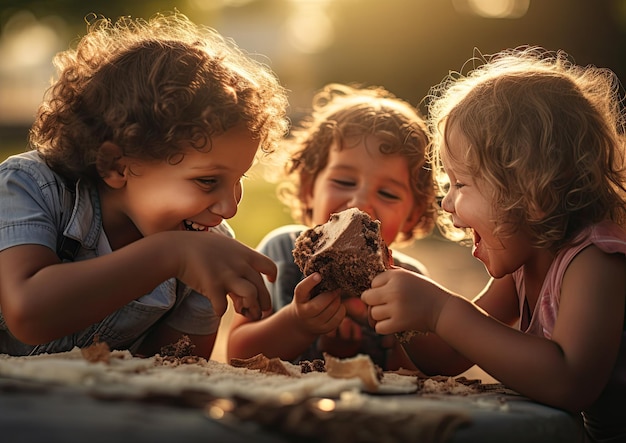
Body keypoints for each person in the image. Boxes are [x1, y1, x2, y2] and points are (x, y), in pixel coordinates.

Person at [361, 46, 626, 441]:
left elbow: (569, 382)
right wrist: (399, 309)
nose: (446, 202)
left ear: (532, 186)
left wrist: (438, 310)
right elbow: (448, 355)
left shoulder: (596, 260)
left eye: (461, 184)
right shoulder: (526, 262)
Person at [0, 12, 289, 359]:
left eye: (238, 179)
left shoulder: (208, 249)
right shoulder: (30, 186)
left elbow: (169, 374)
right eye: (207, 181)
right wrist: (171, 254)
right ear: (116, 165)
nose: (229, 207)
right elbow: (29, 314)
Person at [228, 83, 436, 370]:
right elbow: (238, 352)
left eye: (387, 194)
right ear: (309, 189)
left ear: (412, 216)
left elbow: (423, 373)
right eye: (344, 182)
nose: (360, 202)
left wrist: (392, 337)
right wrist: (298, 323)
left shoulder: (410, 282)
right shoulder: (280, 253)